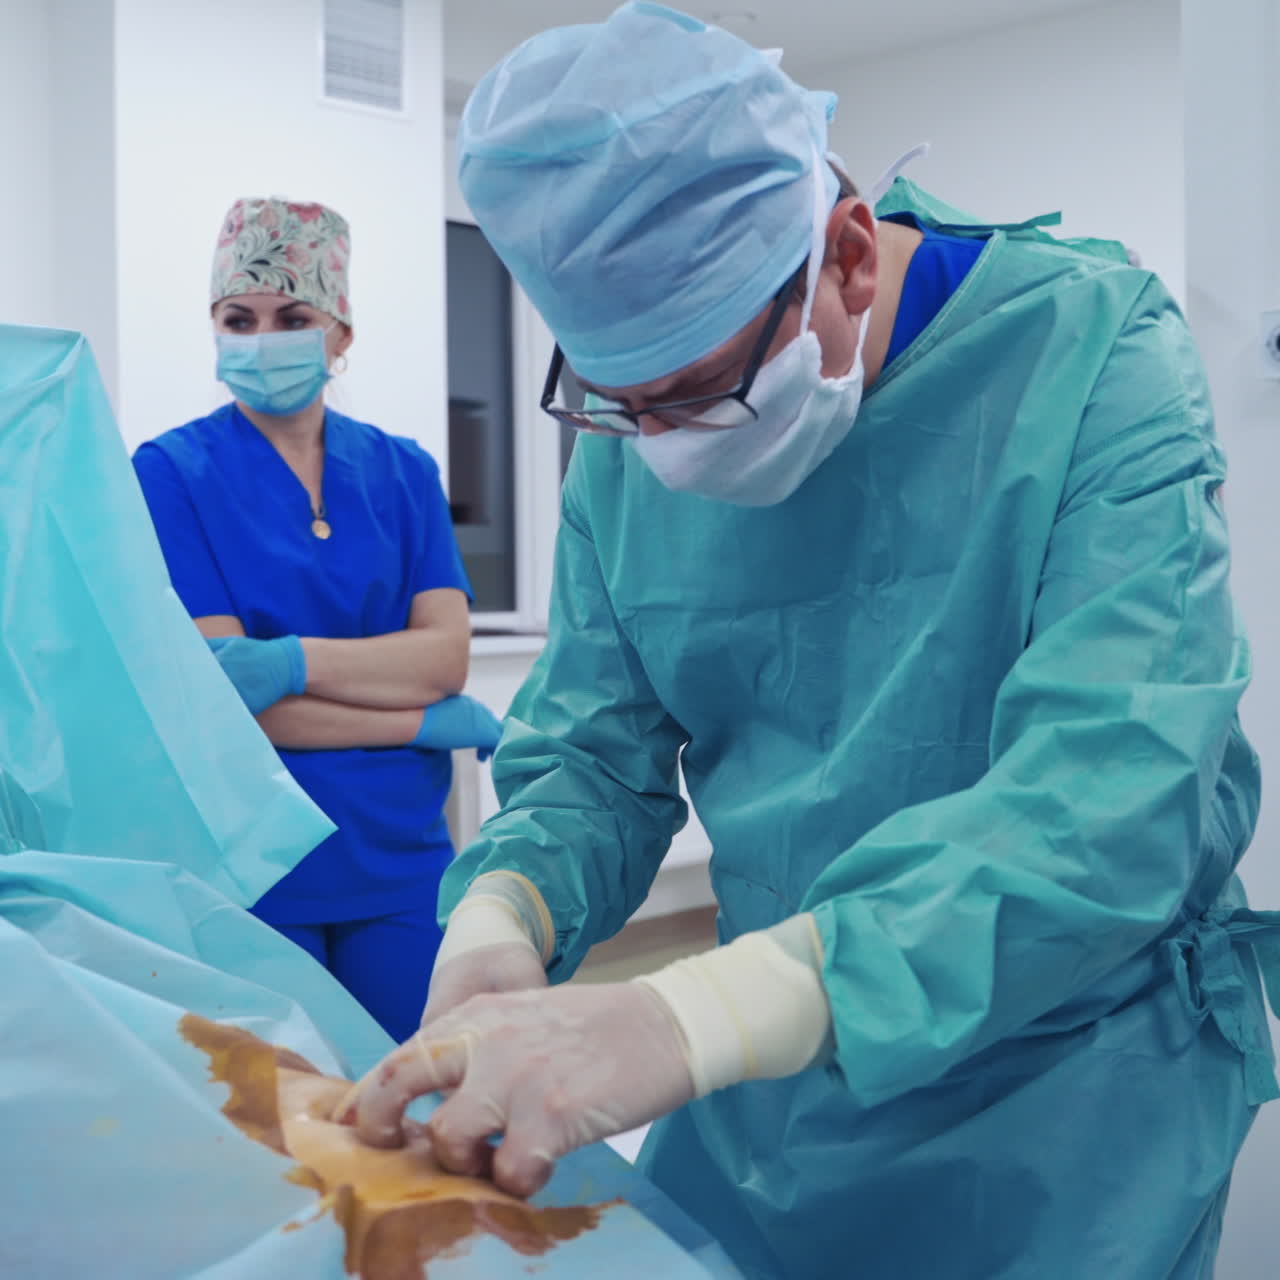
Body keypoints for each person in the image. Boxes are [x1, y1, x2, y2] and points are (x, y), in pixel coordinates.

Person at [341, 6, 1280, 1278]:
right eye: (623, 404)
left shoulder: (1091, 352)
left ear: (844, 254)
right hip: (770, 1095)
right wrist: (501, 917)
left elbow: (1108, 796)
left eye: (702, 392)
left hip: (1070, 1093)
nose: (667, 448)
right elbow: (589, 759)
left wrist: (690, 1013)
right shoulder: (632, 448)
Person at [133, 197, 500, 1044]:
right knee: (287, 1131)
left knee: (415, 1109)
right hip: (255, 863)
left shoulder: (403, 471)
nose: (263, 337)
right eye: (239, 317)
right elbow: (225, 700)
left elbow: (444, 655)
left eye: (292, 315)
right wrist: (418, 721)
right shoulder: (169, 473)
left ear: (340, 334)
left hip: (401, 858)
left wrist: (290, 658)